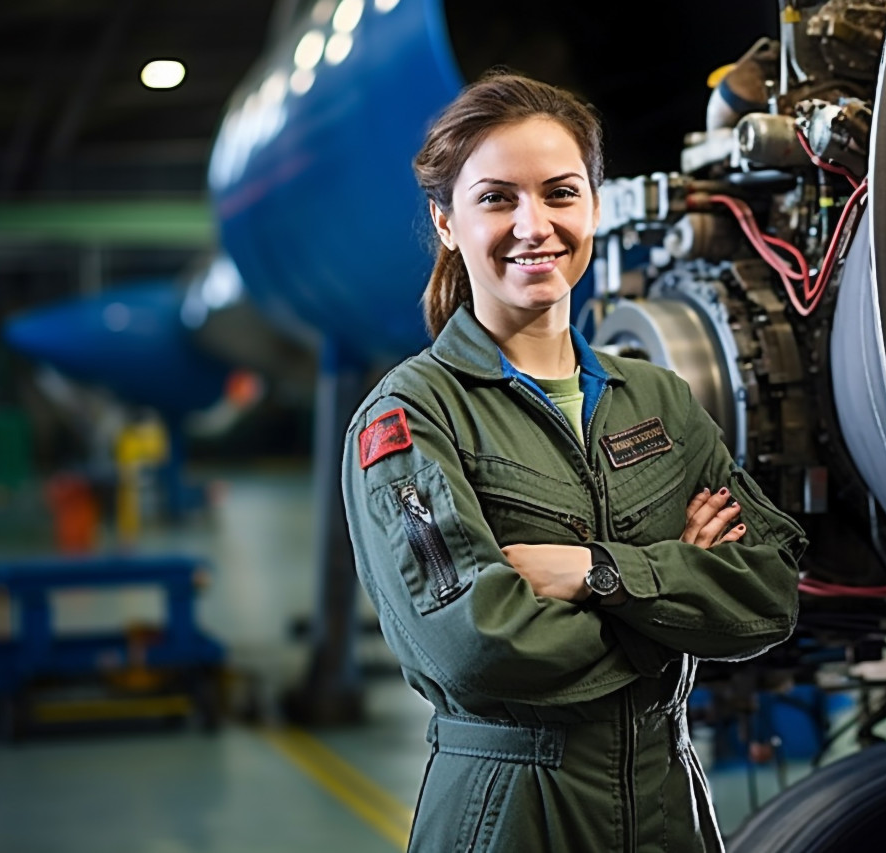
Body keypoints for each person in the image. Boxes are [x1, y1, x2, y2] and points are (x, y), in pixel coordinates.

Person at [341, 68, 808, 853]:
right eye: (497, 198)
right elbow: (479, 649)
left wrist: (597, 573)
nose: (535, 225)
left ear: (594, 205)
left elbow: (768, 594)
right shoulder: (411, 414)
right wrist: (677, 597)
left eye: (561, 193)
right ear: (446, 221)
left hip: (668, 808)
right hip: (512, 815)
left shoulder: (656, 398)